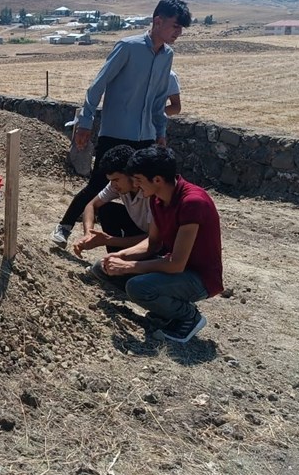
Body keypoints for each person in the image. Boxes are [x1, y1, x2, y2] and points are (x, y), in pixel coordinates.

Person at [51, 0, 191, 245]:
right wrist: (85, 121)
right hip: (115, 133)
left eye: (181, 28)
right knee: (98, 184)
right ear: (158, 21)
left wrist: (160, 131)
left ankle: (147, 239)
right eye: (175, 26)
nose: (178, 33)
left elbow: (159, 100)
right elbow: (97, 86)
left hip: (146, 136)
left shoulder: (167, 55)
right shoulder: (128, 47)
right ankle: (64, 227)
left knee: (148, 190)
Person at [88, 146, 223, 344]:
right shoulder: (157, 199)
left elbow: (176, 263)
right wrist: (120, 256)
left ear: (157, 180)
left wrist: (130, 266)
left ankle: (189, 316)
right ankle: (165, 311)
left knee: (137, 287)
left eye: (139, 180)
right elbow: (152, 244)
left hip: (199, 278)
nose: (135, 184)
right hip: (175, 271)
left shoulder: (192, 202)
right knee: (102, 268)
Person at [72, 144, 150, 256]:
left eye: (116, 180)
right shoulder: (116, 185)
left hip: (158, 243)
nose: (113, 185)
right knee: (107, 210)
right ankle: (113, 257)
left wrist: (107, 240)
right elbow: (91, 205)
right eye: (111, 180)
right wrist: (89, 234)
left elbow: (155, 239)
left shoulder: (150, 191)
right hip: (139, 230)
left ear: (131, 174)